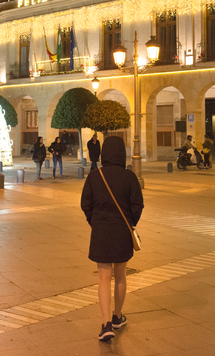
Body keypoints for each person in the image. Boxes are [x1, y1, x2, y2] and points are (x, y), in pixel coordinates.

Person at [81, 136, 144, 342]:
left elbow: (85, 204)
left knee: (103, 278)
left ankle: (106, 324)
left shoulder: (94, 175)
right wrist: (129, 223)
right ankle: (117, 317)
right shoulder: (129, 177)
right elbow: (137, 205)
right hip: (122, 232)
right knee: (121, 275)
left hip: (101, 232)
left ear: (104, 153)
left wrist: (95, 222)